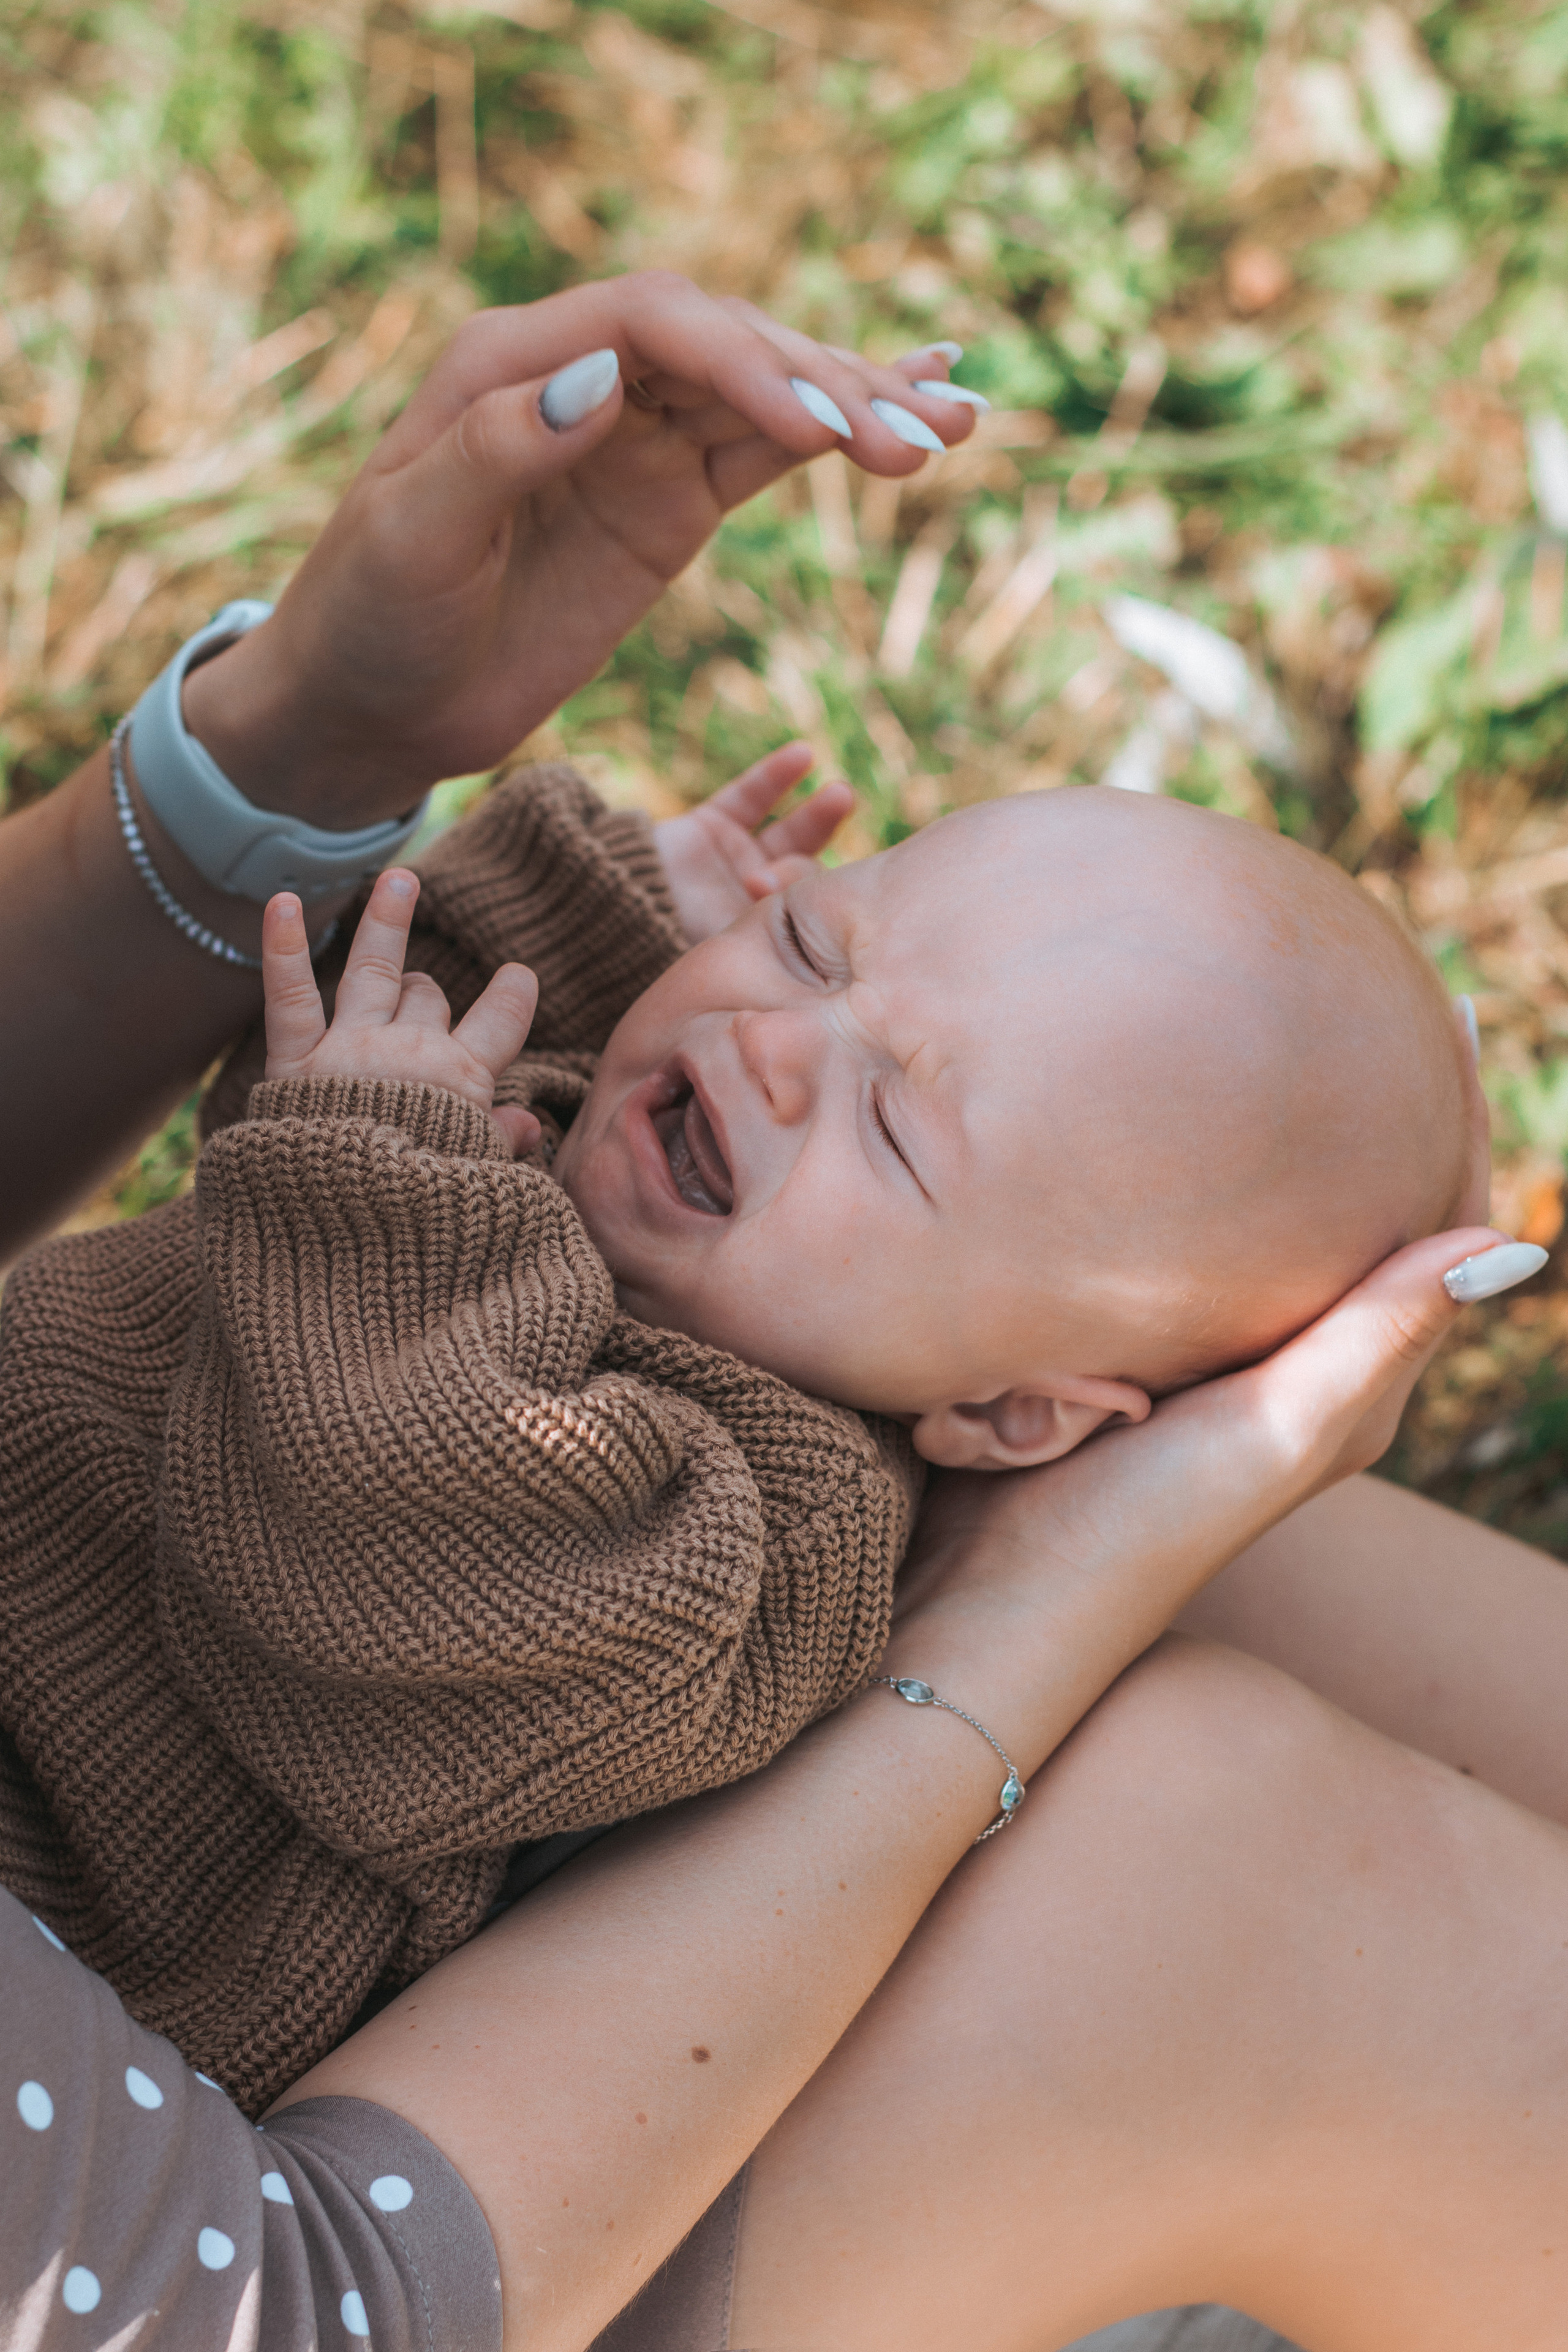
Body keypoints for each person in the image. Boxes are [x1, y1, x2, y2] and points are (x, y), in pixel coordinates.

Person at [3, 274, 1568, 2352]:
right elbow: (389, 1575)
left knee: (1261, 1564)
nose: (770, 1044)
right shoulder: (684, 1513)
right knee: (1212, 1806)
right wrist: (417, 1120)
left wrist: (491, 855)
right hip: (148, 1940)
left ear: (1021, 1418)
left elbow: (413, 1172)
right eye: (811, 947)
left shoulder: (765, 1495)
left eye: (904, 1138)